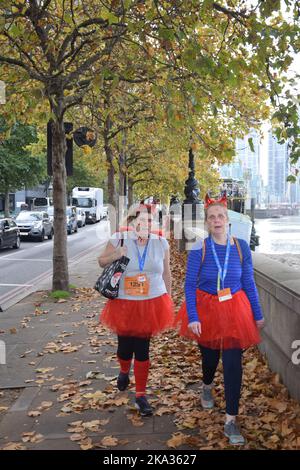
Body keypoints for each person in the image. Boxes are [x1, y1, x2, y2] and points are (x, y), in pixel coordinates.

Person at [175, 194, 265, 445]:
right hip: (206, 310)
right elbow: (190, 285)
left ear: (228, 221)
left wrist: (257, 314)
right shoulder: (199, 249)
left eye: (220, 216)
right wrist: (193, 316)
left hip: (235, 309)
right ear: (207, 223)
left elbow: (248, 283)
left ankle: (230, 419)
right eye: (212, 217)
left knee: (234, 363)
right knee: (210, 358)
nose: (217, 220)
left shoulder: (241, 247)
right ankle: (206, 385)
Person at [98, 205, 174, 416]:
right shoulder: (119, 238)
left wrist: (168, 297)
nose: (145, 225)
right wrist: (116, 254)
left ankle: (140, 395)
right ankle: (124, 371)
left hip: (152, 302)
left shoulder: (161, 243)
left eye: (150, 221)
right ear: (131, 223)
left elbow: (166, 273)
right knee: (124, 348)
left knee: (142, 349)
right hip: (124, 301)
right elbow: (101, 261)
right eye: (140, 221)